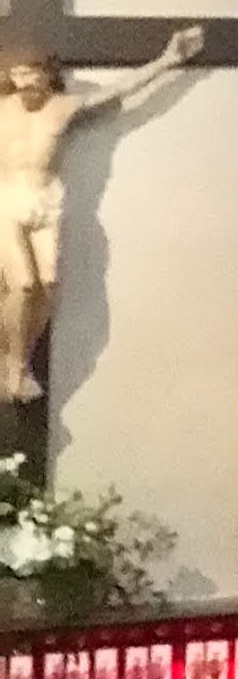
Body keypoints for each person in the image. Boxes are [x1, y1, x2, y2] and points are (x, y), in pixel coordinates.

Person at [0, 28, 206, 411]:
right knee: (24, 285)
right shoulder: (2, 108)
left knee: (49, 284)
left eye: (35, 78)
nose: (28, 86)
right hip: (7, 202)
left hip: (47, 202)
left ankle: (19, 358)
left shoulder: (63, 108)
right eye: (21, 78)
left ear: (47, 78)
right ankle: (12, 364)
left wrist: (166, 61)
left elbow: (118, 92)